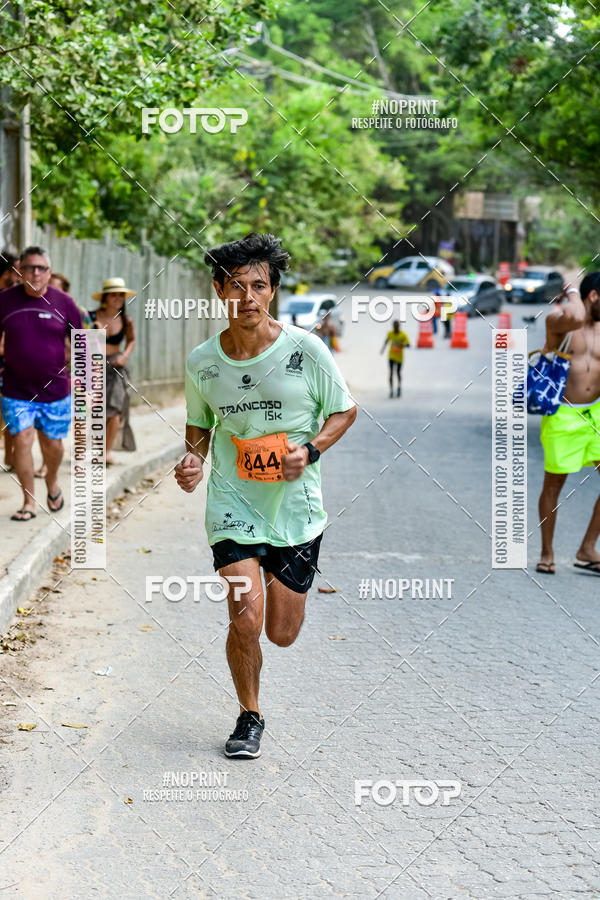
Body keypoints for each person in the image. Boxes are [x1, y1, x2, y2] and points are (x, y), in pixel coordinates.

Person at [176, 233, 356, 759]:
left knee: (280, 633)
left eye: (258, 286)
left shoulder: (306, 350)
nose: (247, 297)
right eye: (236, 286)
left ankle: (280, 578)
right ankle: (249, 715)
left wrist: (311, 450)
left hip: (296, 514)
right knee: (245, 617)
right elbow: (198, 428)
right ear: (218, 291)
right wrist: (193, 462)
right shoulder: (203, 362)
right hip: (233, 506)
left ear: (272, 292)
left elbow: (344, 410)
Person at [0, 246, 82, 520]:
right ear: (19, 270)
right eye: (29, 267)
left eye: (41, 268)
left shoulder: (64, 302)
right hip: (15, 389)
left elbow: (83, 344)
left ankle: (53, 480)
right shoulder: (4, 301)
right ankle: (29, 501)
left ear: (49, 272)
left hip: (55, 391)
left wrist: (88, 388)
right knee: (22, 440)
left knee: (53, 446)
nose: (35, 272)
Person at [537, 272, 600, 574]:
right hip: (564, 413)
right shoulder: (560, 320)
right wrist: (572, 287)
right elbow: (576, 317)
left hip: (596, 414)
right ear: (593, 296)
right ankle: (547, 553)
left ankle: (588, 548)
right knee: (554, 484)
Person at [88, 277, 136, 464]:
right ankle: (98, 449)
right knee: (97, 410)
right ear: (105, 297)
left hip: (116, 368)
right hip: (93, 366)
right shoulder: (90, 317)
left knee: (115, 410)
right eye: (113, 295)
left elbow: (131, 340)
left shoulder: (126, 320)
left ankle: (106, 452)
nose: (117, 298)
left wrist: (124, 356)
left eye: (121, 295)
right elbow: (79, 340)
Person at [0, 252, 21, 472]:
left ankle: (11, 456)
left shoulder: (14, 299)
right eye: (14, 270)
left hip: (10, 366)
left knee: (11, 412)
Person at [380, 319, 410, 397]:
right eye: (394, 326)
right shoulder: (390, 333)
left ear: (399, 326)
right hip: (391, 356)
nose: (395, 328)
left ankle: (399, 387)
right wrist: (383, 349)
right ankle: (391, 390)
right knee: (390, 373)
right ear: (393, 326)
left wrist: (402, 345)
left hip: (399, 357)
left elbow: (408, 344)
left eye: (397, 326)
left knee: (398, 373)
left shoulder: (403, 335)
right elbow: (387, 340)